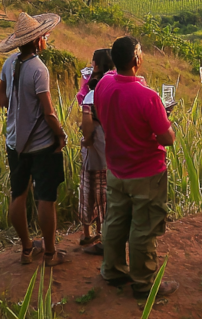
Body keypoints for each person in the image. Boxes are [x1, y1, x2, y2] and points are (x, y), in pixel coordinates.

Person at [93, 36, 180, 299]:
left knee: (115, 221)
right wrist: (164, 116)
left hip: (116, 169)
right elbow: (167, 138)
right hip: (146, 172)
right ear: (137, 60)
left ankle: (113, 270)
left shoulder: (104, 85)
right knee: (143, 229)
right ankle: (143, 283)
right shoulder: (148, 97)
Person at [0, 12, 69, 267]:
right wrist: (60, 134)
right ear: (38, 40)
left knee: (18, 194)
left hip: (15, 142)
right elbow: (48, 111)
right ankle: (50, 252)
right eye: (45, 36)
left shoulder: (9, 63)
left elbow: (3, 100)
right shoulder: (39, 69)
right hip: (40, 143)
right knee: (45, 197)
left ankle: (27, 249)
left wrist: (19, 110)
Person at [78, 48, 114, 256]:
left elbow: (87, 122)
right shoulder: (112, 86)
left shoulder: (92, 91)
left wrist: (87, 139)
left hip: (95, 148)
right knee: (103, 191)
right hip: (108, 149)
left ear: (97, 65)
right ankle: (101, 232)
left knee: (89, 188)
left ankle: (87, 231)